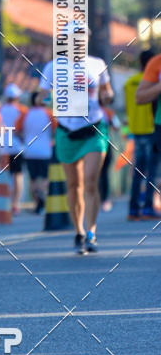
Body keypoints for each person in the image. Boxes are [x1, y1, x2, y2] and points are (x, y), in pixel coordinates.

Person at [39, 27, 113, 254]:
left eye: (83, 38)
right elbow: (42, 95)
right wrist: (53, 100)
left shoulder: (97, 64)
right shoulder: (53, 67)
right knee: (74, 185)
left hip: (93, 130)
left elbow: (107, 92)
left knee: (91, 182)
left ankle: (92, 233)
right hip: (67, 131)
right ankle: (79, 230)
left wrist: (107, 97)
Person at [15, 92, 55, 213]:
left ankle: (37, 202)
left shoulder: (25, 114)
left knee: (32, 178)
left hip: (30, 150)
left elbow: (16, 130)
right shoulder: (49, 113)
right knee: (44, 177)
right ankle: (42, 197)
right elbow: (57, 129)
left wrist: (24, 139)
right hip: (45, 150)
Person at [134, 49, 161, 218]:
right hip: (157, 126)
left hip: (142, 130)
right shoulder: (157, 63)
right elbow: (140, 97)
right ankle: (148, 206)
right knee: (153, 170)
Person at [0, 83, 28, 216]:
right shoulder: (22, 110)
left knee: (4, 175)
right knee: (18, 175)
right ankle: (16, 204)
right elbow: (25, 128)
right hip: (17, 145)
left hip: (3, 146)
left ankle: (5, 203)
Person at [99, 101, 121, 212]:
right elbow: (117, 127)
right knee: (104, 174)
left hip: (90, 146)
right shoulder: (108, 112)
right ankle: (104, 200)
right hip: (105, 145)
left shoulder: (86, 110)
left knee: (94, 174)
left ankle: (98, 198)